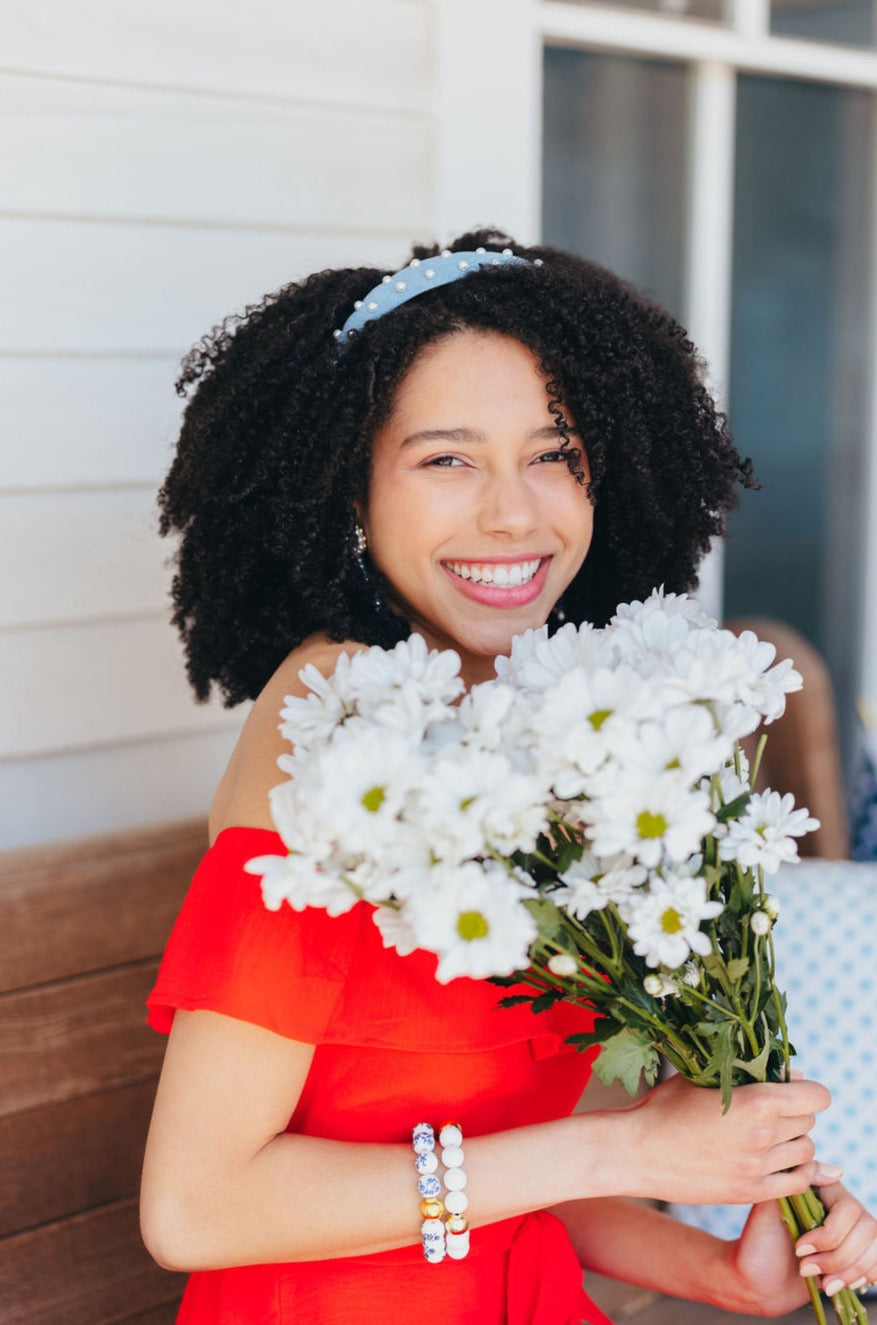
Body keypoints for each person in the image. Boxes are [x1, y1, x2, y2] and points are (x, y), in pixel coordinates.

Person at [140, 229, 877, 1324]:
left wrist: (719, 1265)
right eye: (447, 458)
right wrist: (626, 1141)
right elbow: (195, 1206)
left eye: (554, 452)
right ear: (348, 489)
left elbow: (519, 1175)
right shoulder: (337, 712)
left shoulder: (533, 721)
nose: (514, 513)